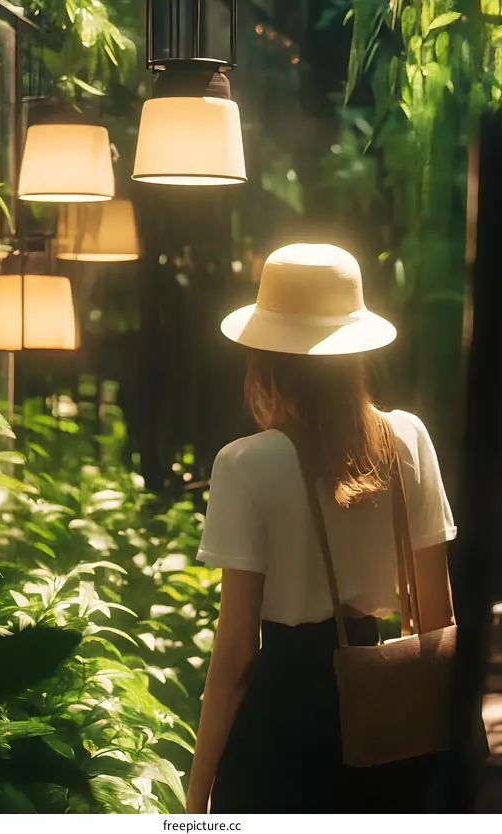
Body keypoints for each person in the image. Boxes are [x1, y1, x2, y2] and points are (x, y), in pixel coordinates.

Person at [186, 243, 457, 814]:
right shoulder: (406, 438)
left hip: (278, 731)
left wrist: (195, 796)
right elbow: (436, 620)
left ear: (266, 357)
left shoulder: (244, 464)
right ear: (354, 351)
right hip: (383, 716)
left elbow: (234, 654)